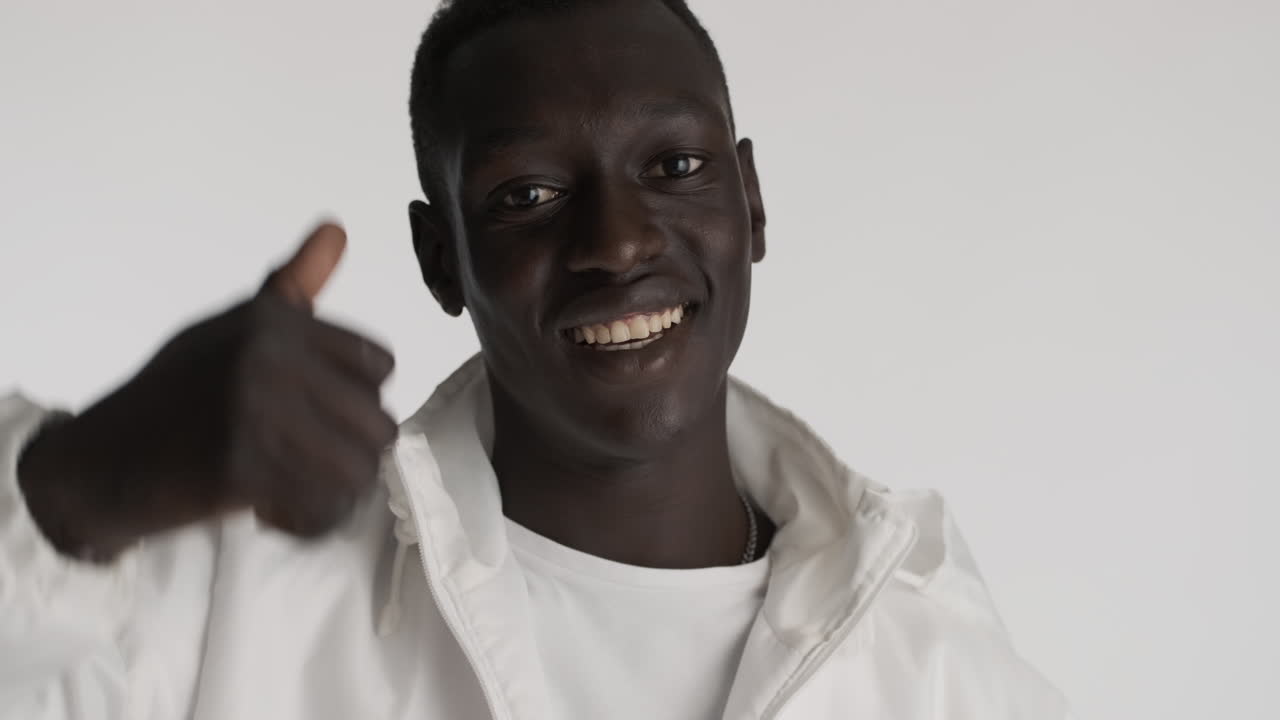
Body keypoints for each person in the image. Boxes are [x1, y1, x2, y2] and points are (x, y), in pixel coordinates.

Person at [0, 0, 1071, 718]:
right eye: (526, 196)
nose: (616, 243)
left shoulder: (932, 670)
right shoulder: (237, 592)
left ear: (749, 203)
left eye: (674, 166)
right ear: (441, 259)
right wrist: (93, 474)